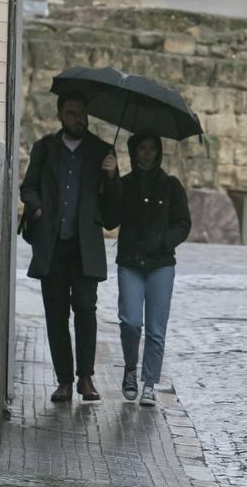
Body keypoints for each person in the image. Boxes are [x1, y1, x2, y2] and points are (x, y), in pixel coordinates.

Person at [20, 90, 119, 403]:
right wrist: (36, 208)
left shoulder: (102, 151)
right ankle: (63, 380)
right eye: (73, 113)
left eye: (83, 113)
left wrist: (112, 175)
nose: (79, 119)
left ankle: (85, 378)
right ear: (61, 115)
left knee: (86, 312)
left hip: (85, 248)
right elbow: (29, 187)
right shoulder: (45, 149)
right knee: (55, 313)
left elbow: (113, 213)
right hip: (52, 245)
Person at [105, 129, 191, 408]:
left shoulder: (171, 185)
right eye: (141, 148)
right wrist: (110, 178)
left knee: (156, 328)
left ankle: (150, 384)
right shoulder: (125, 184)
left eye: (152, 148)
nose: (147, 153)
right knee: (130, 321)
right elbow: (109, 219)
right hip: (130, 262)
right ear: (134, 152)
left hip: (160, 265)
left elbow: (183, 223)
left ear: (158, 151)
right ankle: (131, 368)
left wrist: (163, 242)